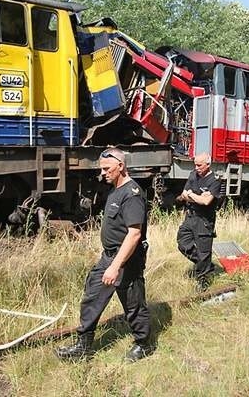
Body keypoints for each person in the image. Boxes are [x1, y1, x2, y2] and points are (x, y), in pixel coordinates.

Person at [56, 148, 152, 362]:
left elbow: (134, 234)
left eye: (107, 169)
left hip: (126, 259)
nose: (103, 173)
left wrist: (115, 266)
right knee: (92, 295)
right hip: (109, 256)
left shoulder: (132, 193)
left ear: (121, 166)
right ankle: (83, 345)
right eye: (102, 169)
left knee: (133, 302)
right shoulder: (115, 190)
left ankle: (143, 344)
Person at [176, 152, 222, 291]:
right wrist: (195, 196)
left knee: (203, 251)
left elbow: (206, 201)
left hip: (204, 220)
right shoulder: (192, 175)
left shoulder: (215, 180)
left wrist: (192, 195)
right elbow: (184, 195)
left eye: (199, 165)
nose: (196, 168)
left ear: (208, 165)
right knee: (182, 243)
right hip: (190, 217)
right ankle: (206, 264)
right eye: (195, 164)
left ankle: (203, 282)